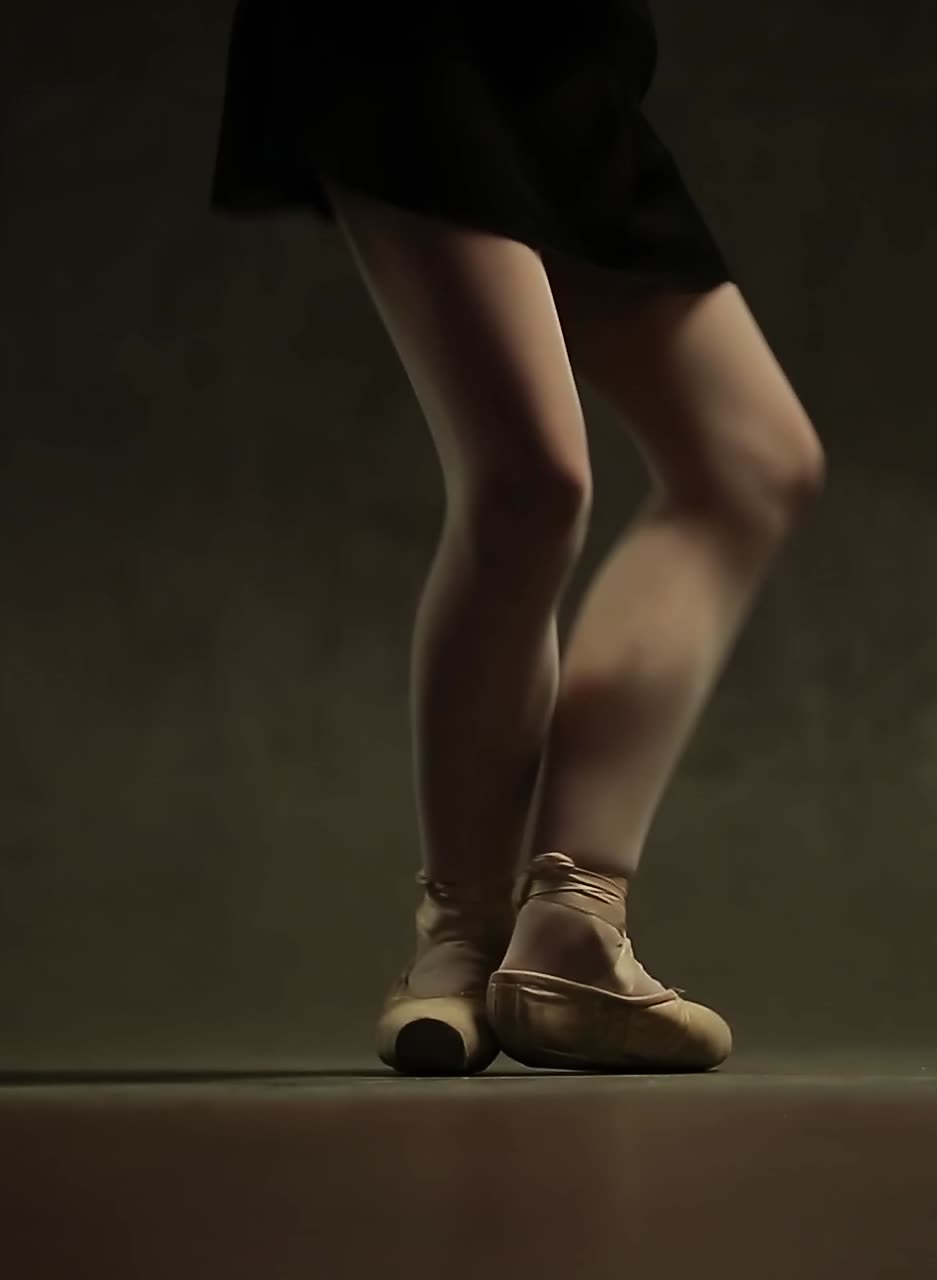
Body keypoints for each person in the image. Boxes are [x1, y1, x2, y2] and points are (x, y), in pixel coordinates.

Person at [209, 0, 826, 1075]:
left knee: (749, 465)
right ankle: (459, 938)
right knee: (528, 481)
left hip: (558, 51)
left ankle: (566, 923)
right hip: (410, 32)